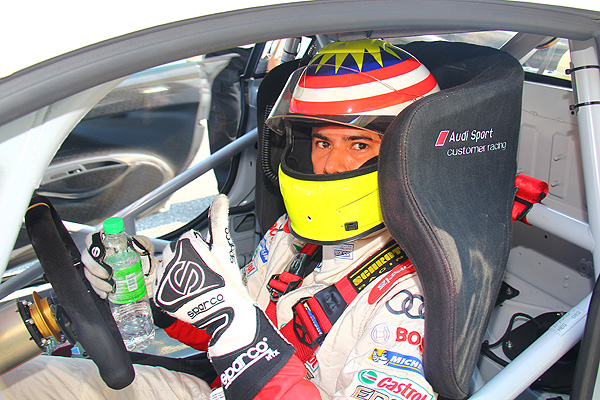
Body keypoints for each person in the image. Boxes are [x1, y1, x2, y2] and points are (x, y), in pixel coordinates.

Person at [0, 39, 440, 400]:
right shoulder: (293, 234)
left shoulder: (416, 288)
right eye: (323, 142)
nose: (328, 165)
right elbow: (220, 338)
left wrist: (241, 334)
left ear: (406, 153)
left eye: (359, 145)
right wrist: (156, 288)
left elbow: (241, 340)